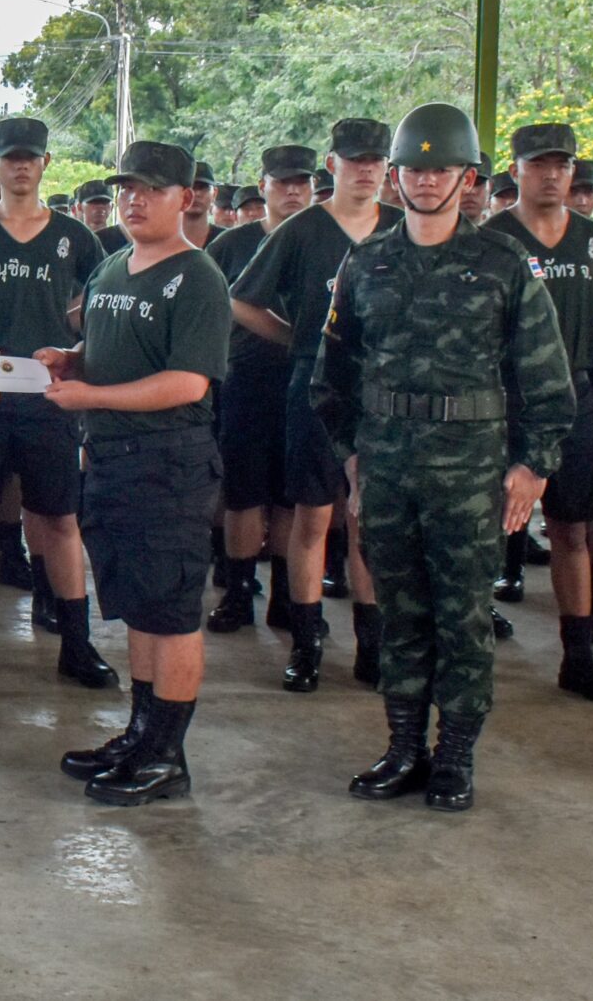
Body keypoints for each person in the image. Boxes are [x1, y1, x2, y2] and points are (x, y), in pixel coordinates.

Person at [313, 103, 573, 813]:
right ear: (395, 178)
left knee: (462, 614)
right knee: (400, 612)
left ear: (468, 176)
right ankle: (404, 747)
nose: (427, 180)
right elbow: (330, 376)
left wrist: (533, 466)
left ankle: (455, 753)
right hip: (389, 467)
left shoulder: (502, 264)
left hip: (471, 469)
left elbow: (547, 378)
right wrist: (353, 459)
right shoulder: (366, 262)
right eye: (415, 168)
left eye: (442, 168)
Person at [45, 139, 231, 806]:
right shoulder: (114, 268)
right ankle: (141, 735)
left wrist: (89, 396)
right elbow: (109, 353)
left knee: (173, 611)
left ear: (186, 197)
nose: (133, 199)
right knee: (138, 609)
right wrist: (72, 361)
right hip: (113, 460)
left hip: (169, 462)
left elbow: (187, 382)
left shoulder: (199, 277)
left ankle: (167, 757)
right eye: (126, 187)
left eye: (150, 189)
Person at [229, 118, 400, 692]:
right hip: (317, 387)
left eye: (377, 162)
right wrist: (299, 340)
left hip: (385, 391)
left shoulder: (405, 228)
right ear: (333, 166)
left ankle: (372, 647)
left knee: (368, 521)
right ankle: (306, 643)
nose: (366, 170)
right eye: (355, 161)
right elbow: (243, 301)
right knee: (313, 517)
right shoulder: (303, 230)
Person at [0, 116, 115, 689]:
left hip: (47, 400)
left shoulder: (76, 236)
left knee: (61, 520)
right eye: (9, 157)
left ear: (45, 164)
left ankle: (76, 642)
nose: (20, 166)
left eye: (30, 157)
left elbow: (105, 307)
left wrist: (75, 352)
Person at [483, 124, 593, 704]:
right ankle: (470, 653)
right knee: (482, 527)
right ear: (517, 169)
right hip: (499, 399)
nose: (551, 174)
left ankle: (578, 657)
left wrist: (585, 346)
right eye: (538, 163)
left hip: (571, 397)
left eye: (562, 164)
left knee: (571, 527)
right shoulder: (491, 238)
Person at [203, 143, 316, 633]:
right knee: (244, 495)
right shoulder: (229, 246)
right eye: (282, 182)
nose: (293, 190)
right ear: (263, 185)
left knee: (291, 497)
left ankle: (288, 596)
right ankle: (238, 593)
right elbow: (210, 313)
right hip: (245, 380)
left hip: (308, 384)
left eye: (302, 182)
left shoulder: (324, 237)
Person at [76, 180, 126, 255]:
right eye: (93, 202)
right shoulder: (75, 240)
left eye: (105, 202)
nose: (100, 207)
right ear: (79, 207)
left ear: (112, 207)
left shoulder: (122, 238)